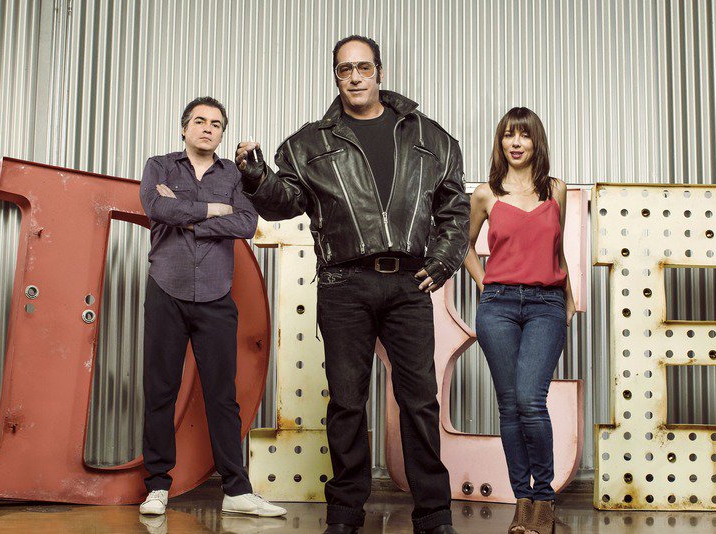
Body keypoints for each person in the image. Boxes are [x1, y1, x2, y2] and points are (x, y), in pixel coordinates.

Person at [236, 35, 469, 534]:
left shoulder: (431, 137)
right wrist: (256, 179)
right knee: (346, 402)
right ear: (336, 77)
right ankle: (344, 515)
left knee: (420, 401)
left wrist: (445, 260)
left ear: (380, 72)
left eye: (364, 67)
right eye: (345, 69)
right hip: (344, 285)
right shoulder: (308, 144)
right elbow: (284, 203)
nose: (356, 77)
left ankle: (434, 515)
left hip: (409, 284)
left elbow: (454, 207)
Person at [137, 96, 285, 518]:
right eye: (200, 121)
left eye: (216, 124)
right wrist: (211, 210)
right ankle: (158, 486)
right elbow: (155, 207)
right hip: (166, 289)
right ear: (184, 128)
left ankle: (236, 490)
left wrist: (186, 218)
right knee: (161, 391)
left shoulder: (234, 175)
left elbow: (247, 223)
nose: (207, 128)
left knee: (222, 396)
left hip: (217, 294)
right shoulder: (159, 166)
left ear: (222, 134)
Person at [463, 107, 576, 534]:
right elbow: (463, 245)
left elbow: (556, 250)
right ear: (500, 142)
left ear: (535, 142)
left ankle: (543, 498)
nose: (515, 142)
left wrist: (569, 297)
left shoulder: (555, 190)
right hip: (499, 306)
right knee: (509, 405)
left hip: (547, 304)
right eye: (508, 135)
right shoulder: (485, 194)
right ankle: (522, 501)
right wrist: (485, 284)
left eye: (523, 135)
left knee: (530, 399)